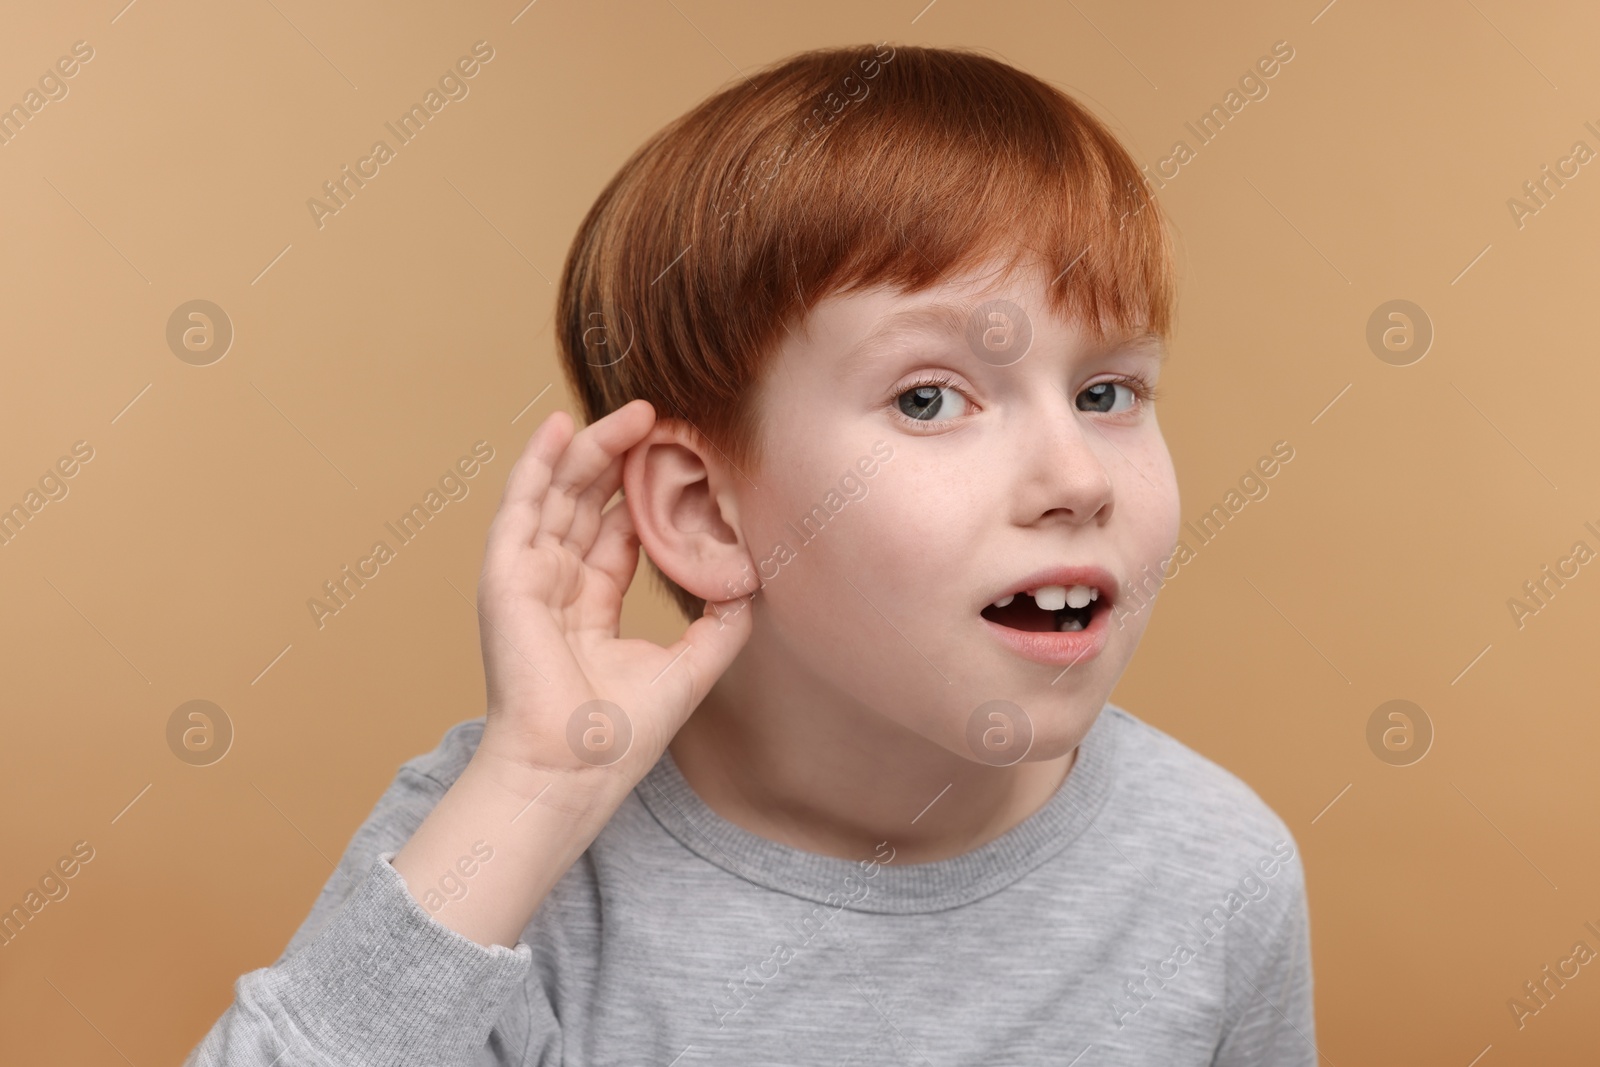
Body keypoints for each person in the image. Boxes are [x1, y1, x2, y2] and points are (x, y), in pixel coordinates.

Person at [186, 41, 1316, 1066]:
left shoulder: (1215, 874)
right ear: (709, 514)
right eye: (929, 397)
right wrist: (532, 792)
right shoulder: (501, 842)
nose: (1075, 478)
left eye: (1106, 391)